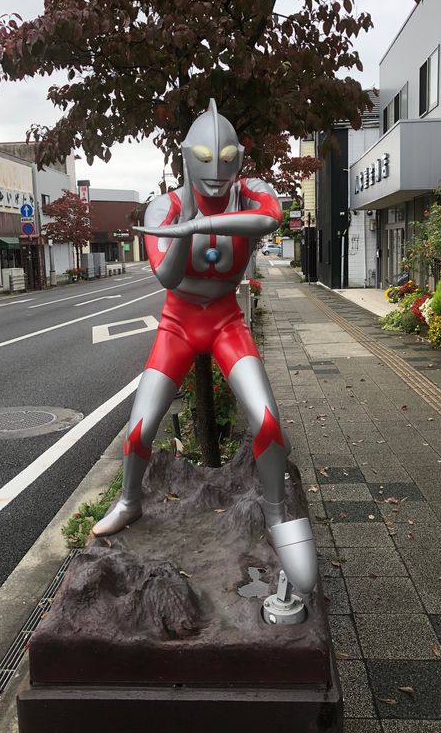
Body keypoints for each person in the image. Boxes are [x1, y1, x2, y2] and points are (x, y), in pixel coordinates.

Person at [93, 100, 316, 595]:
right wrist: (185, 219)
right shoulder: (164, 205)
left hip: (225, 320)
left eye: (228, 158)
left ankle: (277, 513)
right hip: (177, 322)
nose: (216, 173)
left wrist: (197, 227)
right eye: (204, 159)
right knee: (139, 429)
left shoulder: (251, 191)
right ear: (185, 158)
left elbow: (270, 221)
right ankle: (130, 500)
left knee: (269, 421)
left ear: (239, 158)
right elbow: (166, 274)